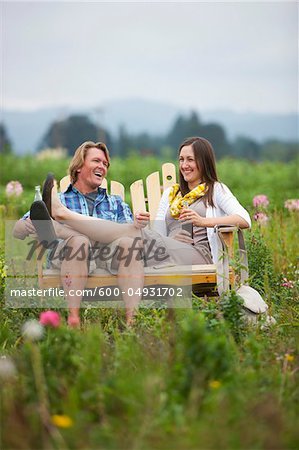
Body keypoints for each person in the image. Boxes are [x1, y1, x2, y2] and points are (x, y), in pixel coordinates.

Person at [32, 136, 251, 302]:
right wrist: (158, 232)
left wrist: (203, 222)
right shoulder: (171, 193)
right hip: (167, 253)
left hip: (200, 256)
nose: (184, 165)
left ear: (203, 162)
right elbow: (156, 234)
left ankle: (63, 217)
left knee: (134, 234)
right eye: (181, 159)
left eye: (190, 159)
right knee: (132, 235)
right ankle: (64, 219)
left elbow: (244, 218)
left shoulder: (216, 190)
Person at [13, 141, 149, 327]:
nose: (102, 166)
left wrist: (137, 224)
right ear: (78, 167)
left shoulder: (115, 203)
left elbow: (134, 238)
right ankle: (74, 319)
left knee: (128, 243)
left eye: (105, 164)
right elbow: (17, 230)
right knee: (79, 241)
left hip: (107, 255)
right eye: (96, 161)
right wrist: (26, 225)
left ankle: (132, 321)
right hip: (71, 254)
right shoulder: (58, 199)